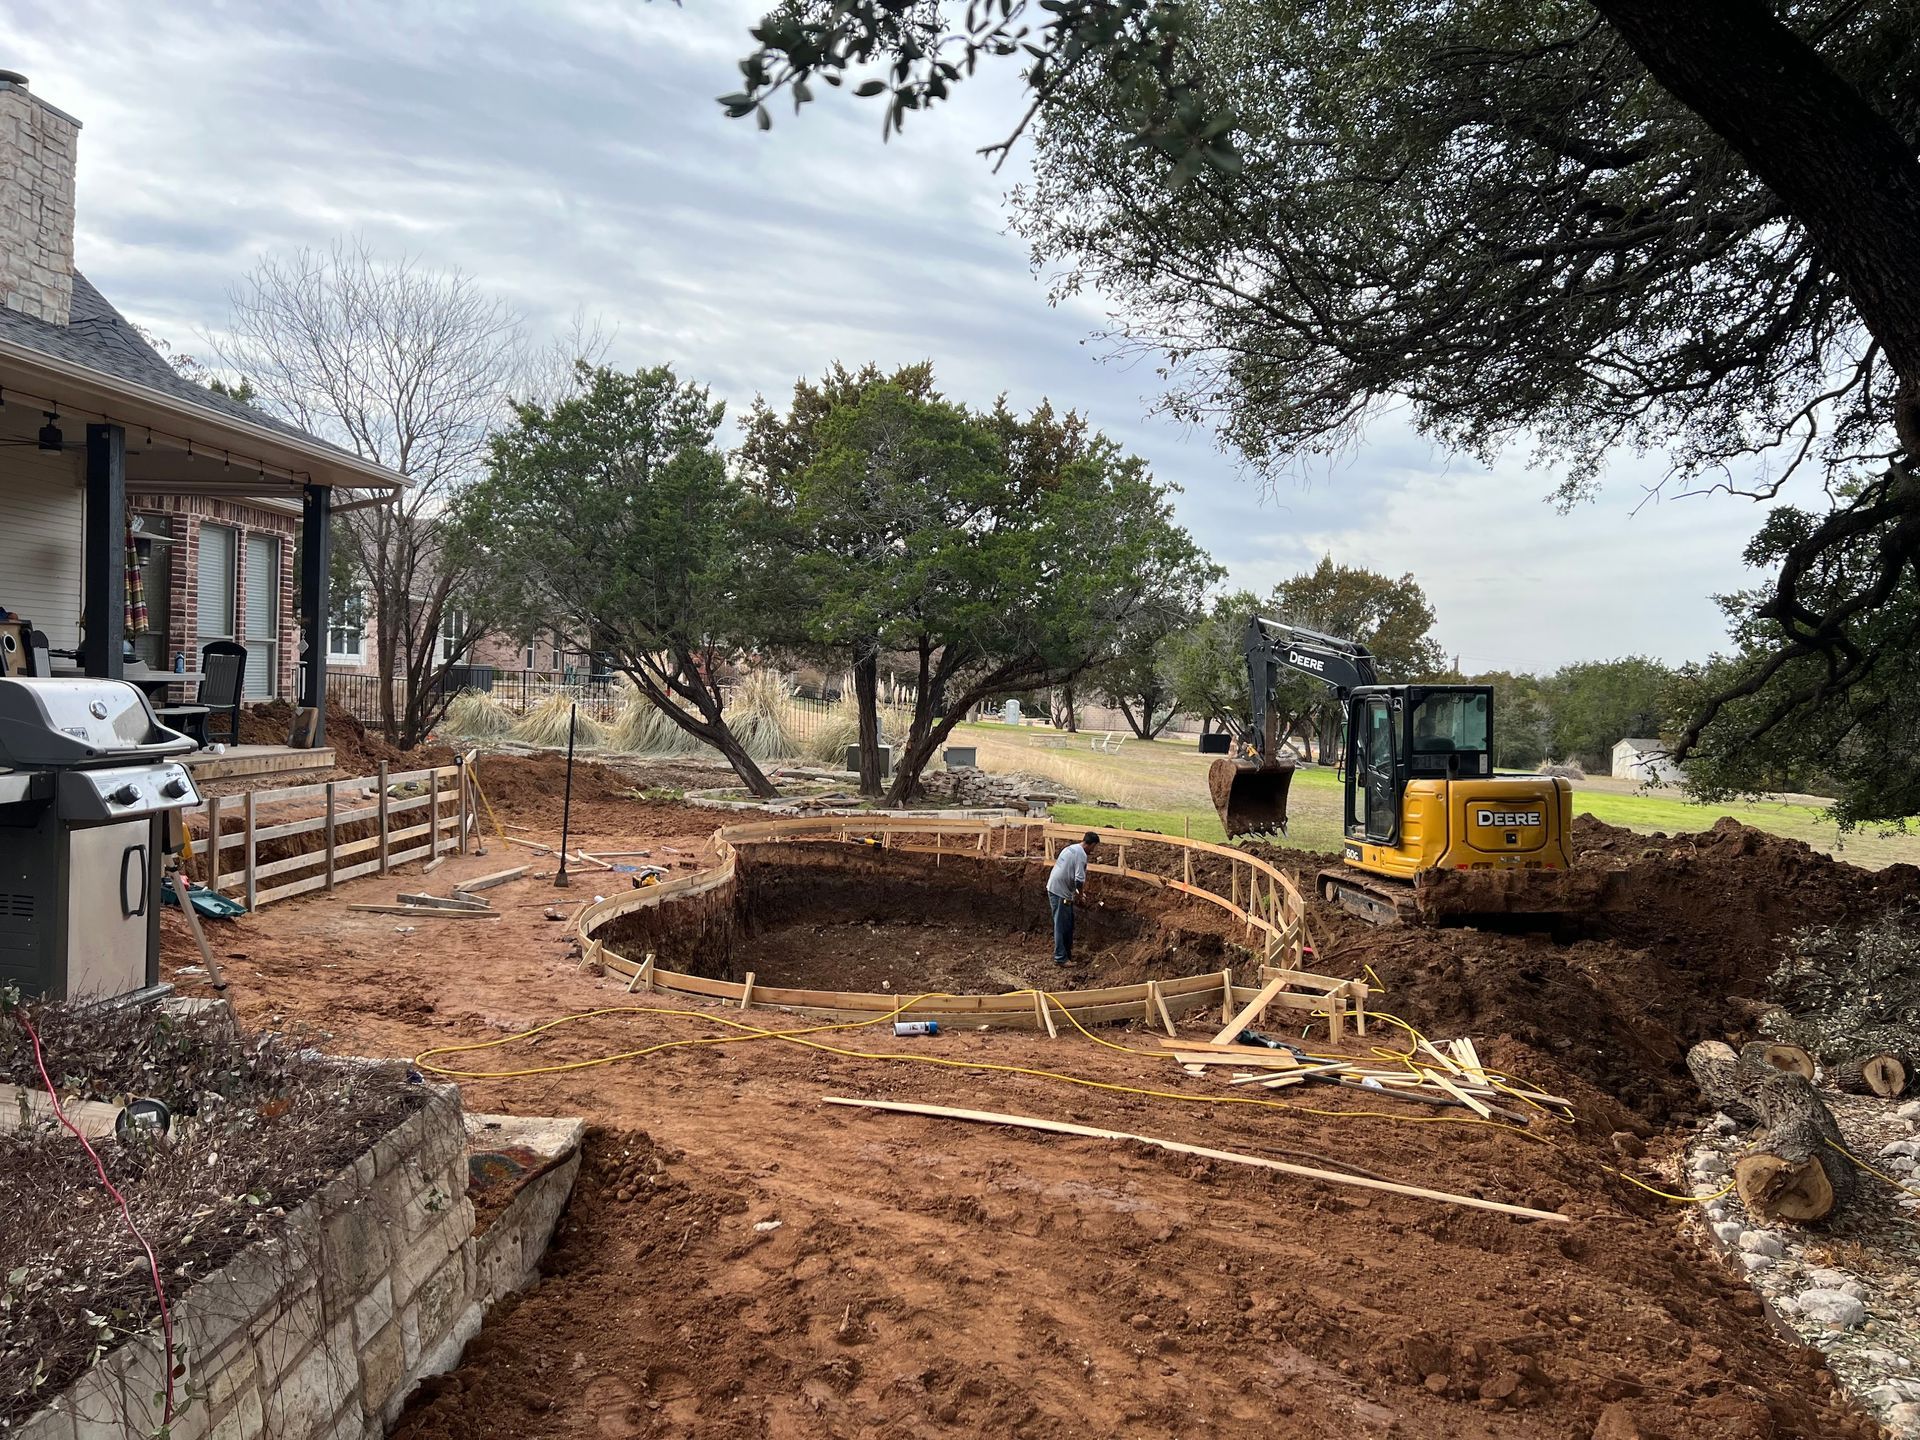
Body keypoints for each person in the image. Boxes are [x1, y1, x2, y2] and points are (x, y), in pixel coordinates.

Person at [1046, 831, 1101, 966]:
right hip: (1060, 892)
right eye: (1095, 847)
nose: (1094, 850)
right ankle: (1061, 958)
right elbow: (1079, 880)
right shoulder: (1081, 854)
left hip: (1057, 889)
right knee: (1061, 925)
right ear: (1092, 844)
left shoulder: (1070, 848)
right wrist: (1080, 895)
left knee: (1067, 924)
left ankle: (1067, 954)